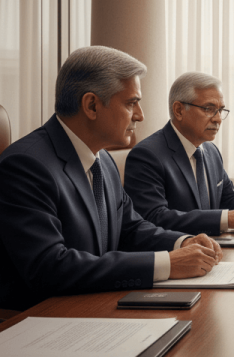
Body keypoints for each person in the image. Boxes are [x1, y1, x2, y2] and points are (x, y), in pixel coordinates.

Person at [0, 47, 222, 312]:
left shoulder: (103, 160)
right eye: (131, 103)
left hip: (96, 306)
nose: (140, 115)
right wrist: (168, 263)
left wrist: (182, 242)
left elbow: (131, 229)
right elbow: (50, 267)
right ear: (92, 105)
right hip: (42, 322)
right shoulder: (26, 165)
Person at [124, 72, 234, 235]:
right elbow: (154, 217)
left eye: (220, 110)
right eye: (209, 109)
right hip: (178, 254)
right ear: (179, 110)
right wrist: (226, 219)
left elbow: (228, 197)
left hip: (214, 250)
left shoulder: (211, 150)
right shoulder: (147, 155)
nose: (218, 119)